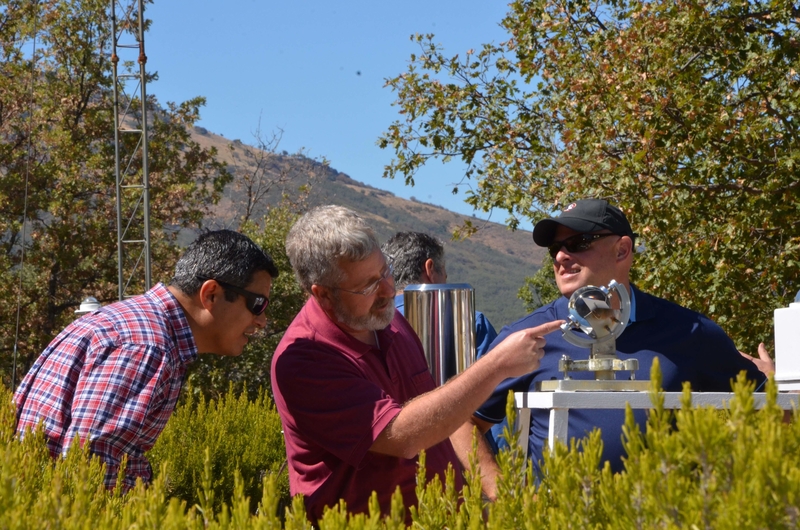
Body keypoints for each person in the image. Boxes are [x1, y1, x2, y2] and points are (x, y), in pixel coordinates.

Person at [271, 205, 562, 522]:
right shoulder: (305, 359)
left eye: (385, 271)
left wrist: (495, 495)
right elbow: (404, 435)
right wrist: (496, 366)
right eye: (368, 285)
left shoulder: (387, 319)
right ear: (323, 294)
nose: (387, 291)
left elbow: (442, 415)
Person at [471, 198, 771, 473]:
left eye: (578, 242)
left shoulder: (690, 331)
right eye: (555, 249)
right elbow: (463, 421)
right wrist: (499, 497)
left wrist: (781, 384)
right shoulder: (527, 336)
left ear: (622, 250)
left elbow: (772, 410)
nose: (562, 256)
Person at [14, 230, 279, 490]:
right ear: (210, 294)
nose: (262, 320)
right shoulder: (147, 346)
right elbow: (90, 471)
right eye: (257, 304)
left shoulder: (138, 327)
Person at [381, 231, 499, 357]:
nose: (446, 276)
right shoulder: (470, 322)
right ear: (430, 269)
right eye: (443, 269)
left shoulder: (371, 325)